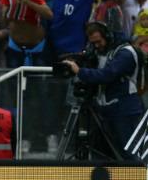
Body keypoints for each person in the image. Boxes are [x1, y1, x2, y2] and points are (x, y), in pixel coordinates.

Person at [62, 22, 144, 160]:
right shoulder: (98, 51)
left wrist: (80, 71)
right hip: (104, 112)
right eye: (93, 43)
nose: (96, 46)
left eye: (98, 41)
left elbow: (107, 74)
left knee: (131, 156)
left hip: (125, 113)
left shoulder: (126, 53)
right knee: (101, 156)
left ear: (108, 35)